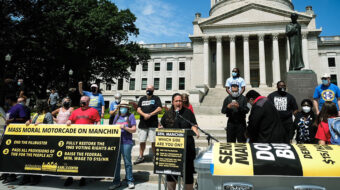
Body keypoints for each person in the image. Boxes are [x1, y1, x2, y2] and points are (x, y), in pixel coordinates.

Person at [160, 93, 199, 190]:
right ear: (173, 102)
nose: (179, 103)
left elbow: (194, 125)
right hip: (172, 152)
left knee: (188, 176)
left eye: (180, 101)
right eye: (176, 101)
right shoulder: (168, 113)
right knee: (171, 176)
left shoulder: (188, 112)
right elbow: (161, 126)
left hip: (187, 149)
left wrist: (195, 131)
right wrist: (160, 129)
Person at [65, 96, 101, 186]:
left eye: (84, 102)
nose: (82, 103)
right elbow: (70, 119)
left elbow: (98, 122)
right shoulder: (75, 111)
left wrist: (97, 130)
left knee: (84, 159)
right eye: (81, 102)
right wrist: (69, 121)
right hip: (75, 138)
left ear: (89, 102)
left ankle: (83, 177)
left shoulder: (94, 111)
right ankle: (70, 177)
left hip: (88, 139)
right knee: (72, 158)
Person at [21, 101, 53, 185]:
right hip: (32, 140)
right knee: (28, 160)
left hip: (42, 141)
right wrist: (28, 122)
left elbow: (51, 126)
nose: (36, 107)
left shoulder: (48, 114)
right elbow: (32, 122)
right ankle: (26, 177)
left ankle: (36, 178)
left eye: (38, 105)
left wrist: (41, 124)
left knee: (36, 161)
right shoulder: (36, 114)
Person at [0, 96, 29, 183]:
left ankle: (12, 175)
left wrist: (13, 120)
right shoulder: (10, 109)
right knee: (7, 155)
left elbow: (24, 119)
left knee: (13, 155)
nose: (5, 101)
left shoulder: (19, 107)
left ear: (9, 99)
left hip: (15, 136)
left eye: (6, 100)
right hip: (7, 134)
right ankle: (7, 173)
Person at [109, 100, 136, 190]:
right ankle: (116, 181)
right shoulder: (117, 116)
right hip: (117, 142)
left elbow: (134, 129)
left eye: (124, 107)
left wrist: (125, 127)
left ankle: (130, 180)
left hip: (127, 142)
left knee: (127, 162)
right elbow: (112, 128)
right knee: (116, 163)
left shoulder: (130, 116)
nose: (122, 109)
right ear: (119, 108)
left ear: (127, 108)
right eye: (121, 107)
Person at [134, 85, 162, 165]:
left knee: (153, 141)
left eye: (150, 89)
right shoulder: (142, 99)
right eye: (147, 88)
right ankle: (141, 156)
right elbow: (138, 109)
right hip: (143, 124)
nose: (149, 90)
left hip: (153, 124)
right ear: (145, 89)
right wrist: (144, 115)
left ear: (153, 90)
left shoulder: (156, 98)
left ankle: (155, 156)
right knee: (142, 141)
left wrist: (150, 114)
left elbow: (159, 108)